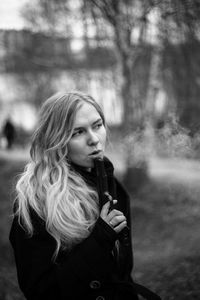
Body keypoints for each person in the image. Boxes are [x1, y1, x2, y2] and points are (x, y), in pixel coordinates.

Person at [9, 91, 161, 300]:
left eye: (97, 125)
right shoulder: (36, 201)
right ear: (57, 140)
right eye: (77, 132)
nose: (94, 139)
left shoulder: (112, 186)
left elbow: (120, 272)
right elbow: (40, 292)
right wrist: (100, 239)